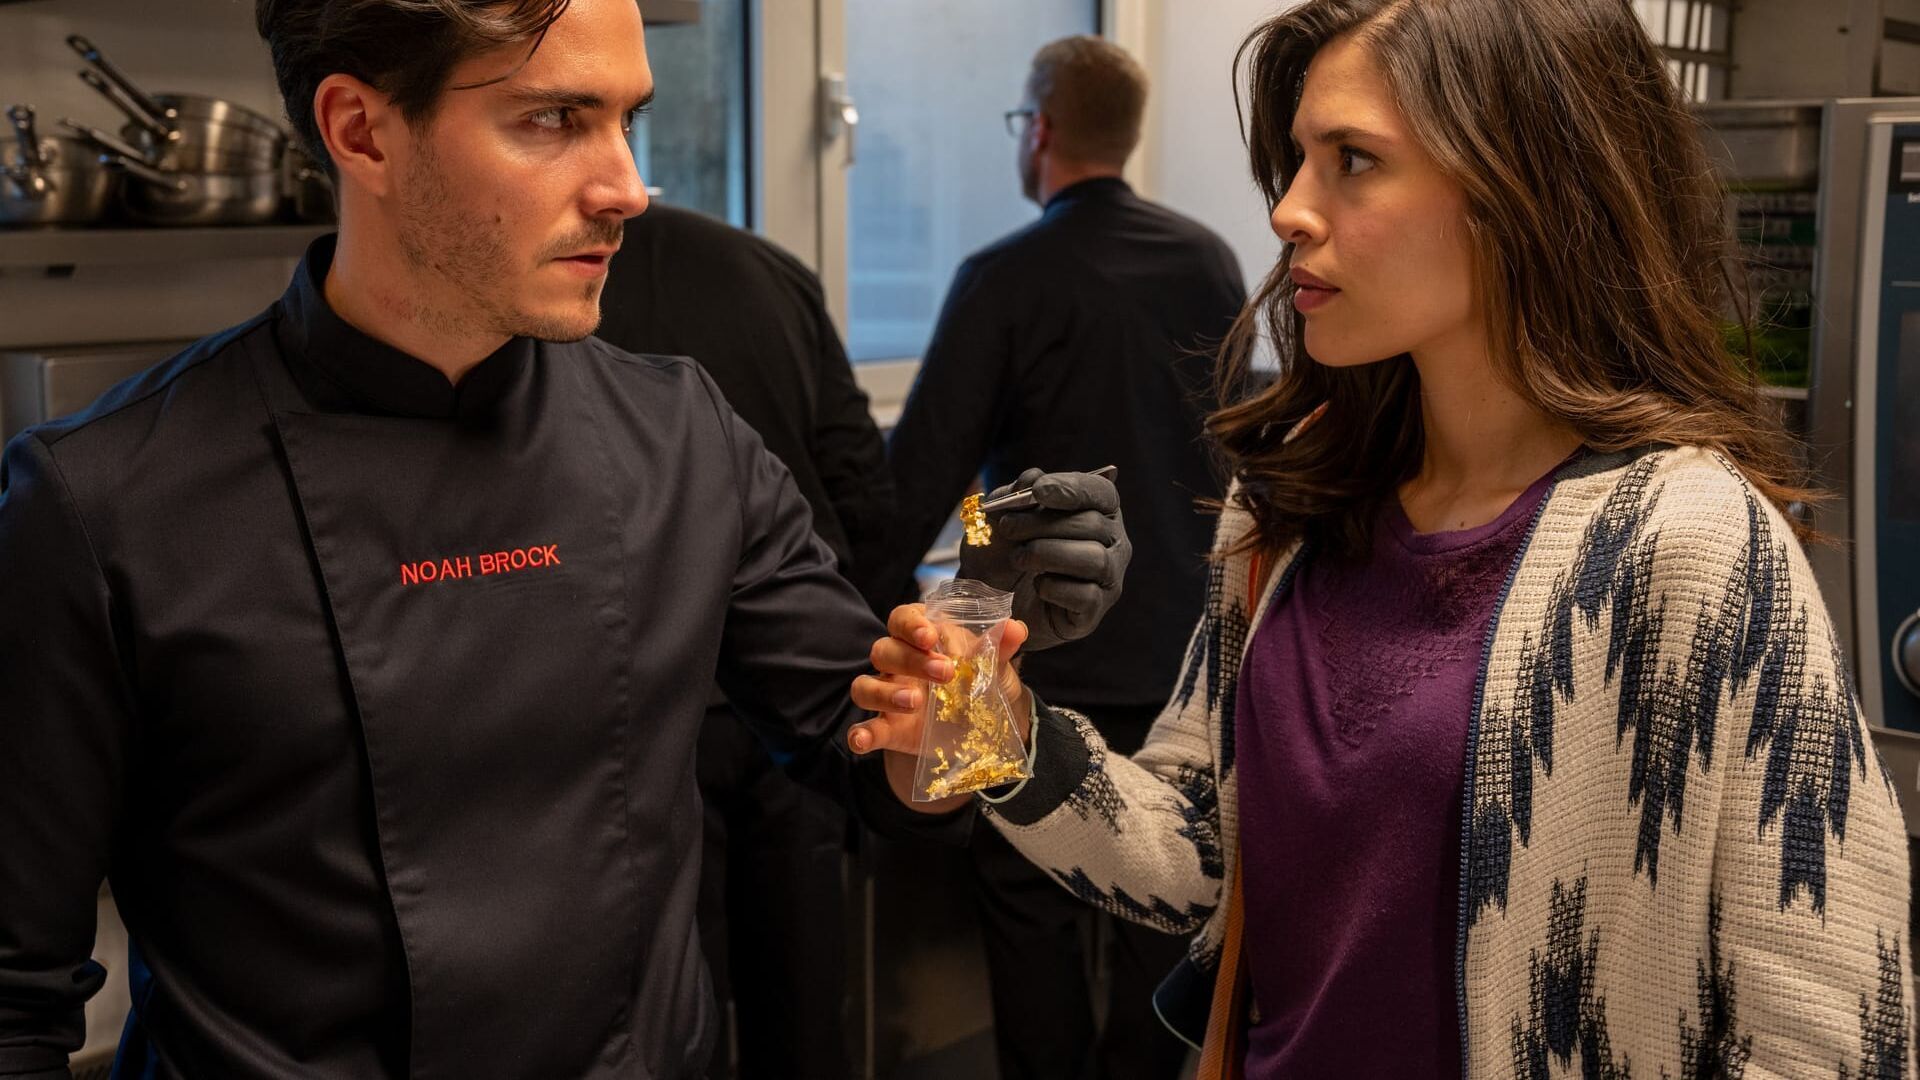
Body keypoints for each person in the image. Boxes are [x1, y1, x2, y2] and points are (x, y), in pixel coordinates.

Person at [0, 1, 1128, 1076]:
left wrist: (976, 651)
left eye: (627, 119)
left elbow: (881, 764)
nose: (628, 187)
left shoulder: (681, 434)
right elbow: (14, 997)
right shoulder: (102, 503)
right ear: (362, 131)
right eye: (552, 119)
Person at [849, 1, 1918, 1077]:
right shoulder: (1291, 507)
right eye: (1298, 161)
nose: (1289, 211)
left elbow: (1827, 1036)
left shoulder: (1688, 546)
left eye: (1354, 161)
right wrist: (989, 721)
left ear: (1521, 189)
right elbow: (1203, 851)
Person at [864, 35, 1245, 1080]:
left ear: (1038, 131)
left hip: (1022, 662)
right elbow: (1229, 457)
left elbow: (919, 477)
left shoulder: (1004, 278)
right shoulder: (1210, 262)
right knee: (1162, 915)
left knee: (1025, 907)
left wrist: (873, 610)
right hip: (1175, 652)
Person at [595, 201, 889, 1079]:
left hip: (646, 714)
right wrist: (858, 649)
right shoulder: (771, 272)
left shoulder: (553, 296)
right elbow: (860, 480)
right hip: (798, 693)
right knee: (801, 994)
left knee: (661, 1009)